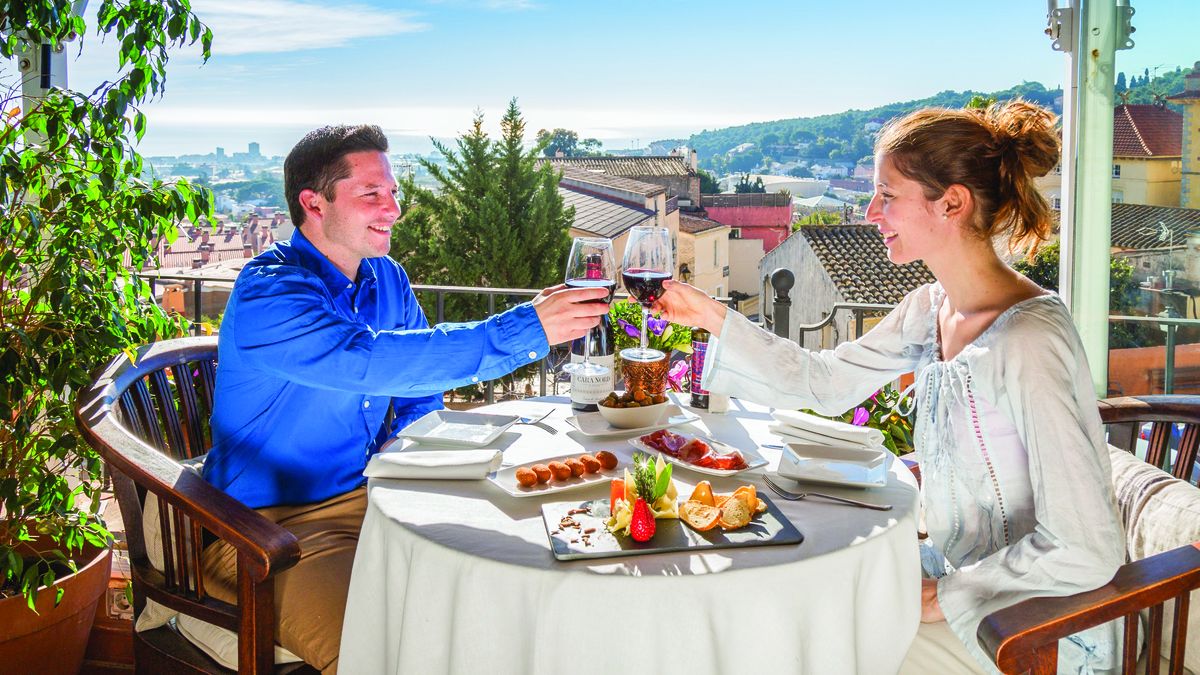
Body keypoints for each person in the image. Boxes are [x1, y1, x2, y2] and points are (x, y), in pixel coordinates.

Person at [654, 101, 1125, 674]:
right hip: (960, 585)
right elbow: (824, 382)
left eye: (888, 194)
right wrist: (711, 316)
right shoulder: (929, 308)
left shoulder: (1027, 339)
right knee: (796, 613)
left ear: (952, 202)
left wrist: (947, 595)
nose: (871, 211)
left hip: (1034, 629)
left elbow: (1088, 547)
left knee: (822, 650)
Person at [198, 124, 609, 673]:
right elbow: (365, 359)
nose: (393, 208)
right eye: (372, 194)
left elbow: (417, 393)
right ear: (313, 202)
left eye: (393, 192)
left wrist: (407, 449)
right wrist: (526, 329)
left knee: (519, 590)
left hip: (378, 500)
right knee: (391, 656)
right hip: (268, 533)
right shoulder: (270, 292)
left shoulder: (387, 279)